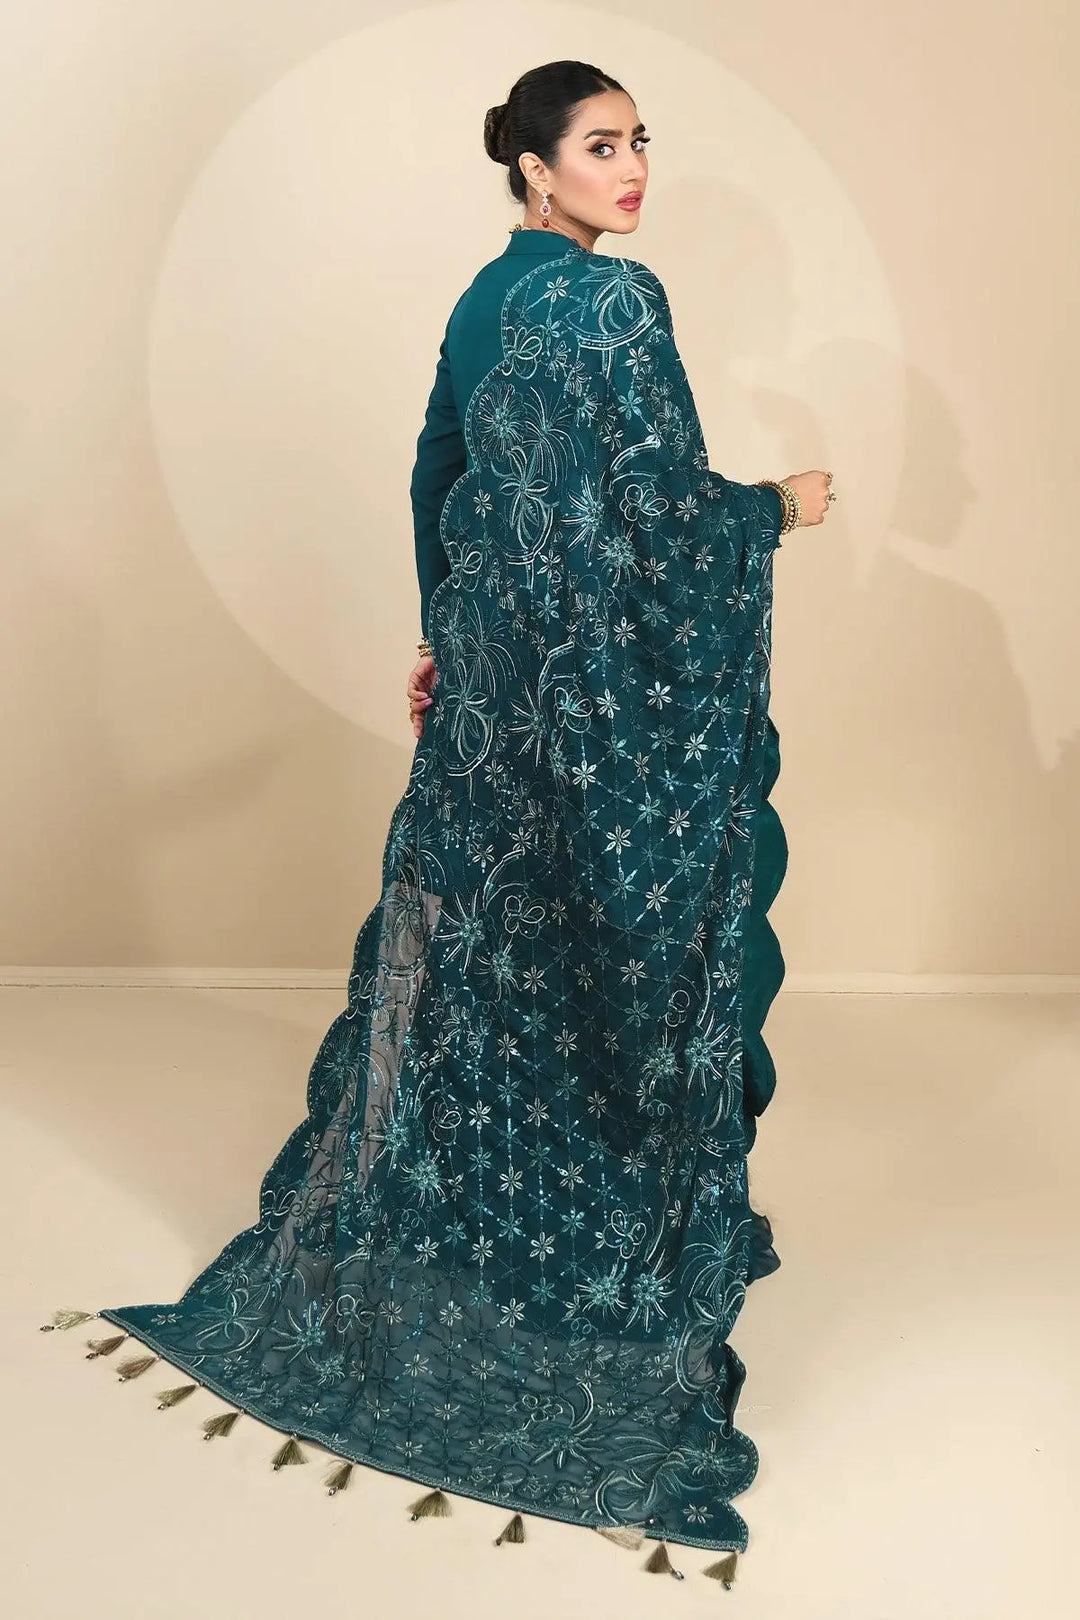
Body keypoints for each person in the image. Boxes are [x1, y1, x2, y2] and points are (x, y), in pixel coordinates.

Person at [43, 59, 833, 1584]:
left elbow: (440, 473)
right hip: (595, 714)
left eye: (641, 141)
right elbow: (659, 515)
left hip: (498, 699)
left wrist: (450, 636)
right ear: (534, 168)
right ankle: (597, 1253)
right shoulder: (617, 301)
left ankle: (473, 1241)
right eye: (600, 144)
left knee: (496, 962)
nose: (632, 168)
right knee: (622, 946)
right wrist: (772, 510)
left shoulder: (484, 300)